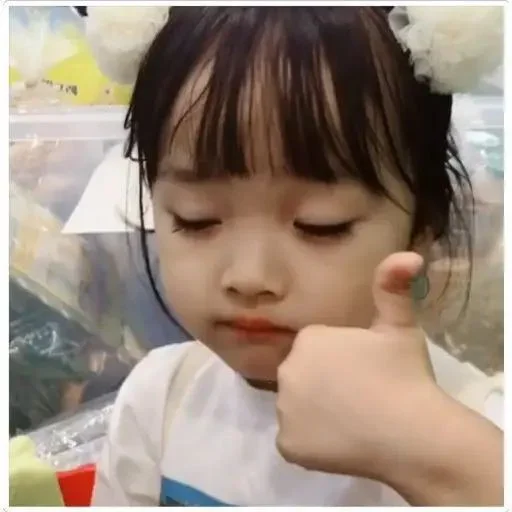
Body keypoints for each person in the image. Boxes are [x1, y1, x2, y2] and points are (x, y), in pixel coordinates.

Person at [86, 6, 504, 506]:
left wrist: (438, 456)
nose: (249, 277)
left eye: (320, 225)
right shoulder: (159, 401)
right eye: (197, 219)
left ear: (423, 226)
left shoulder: (483, 431)